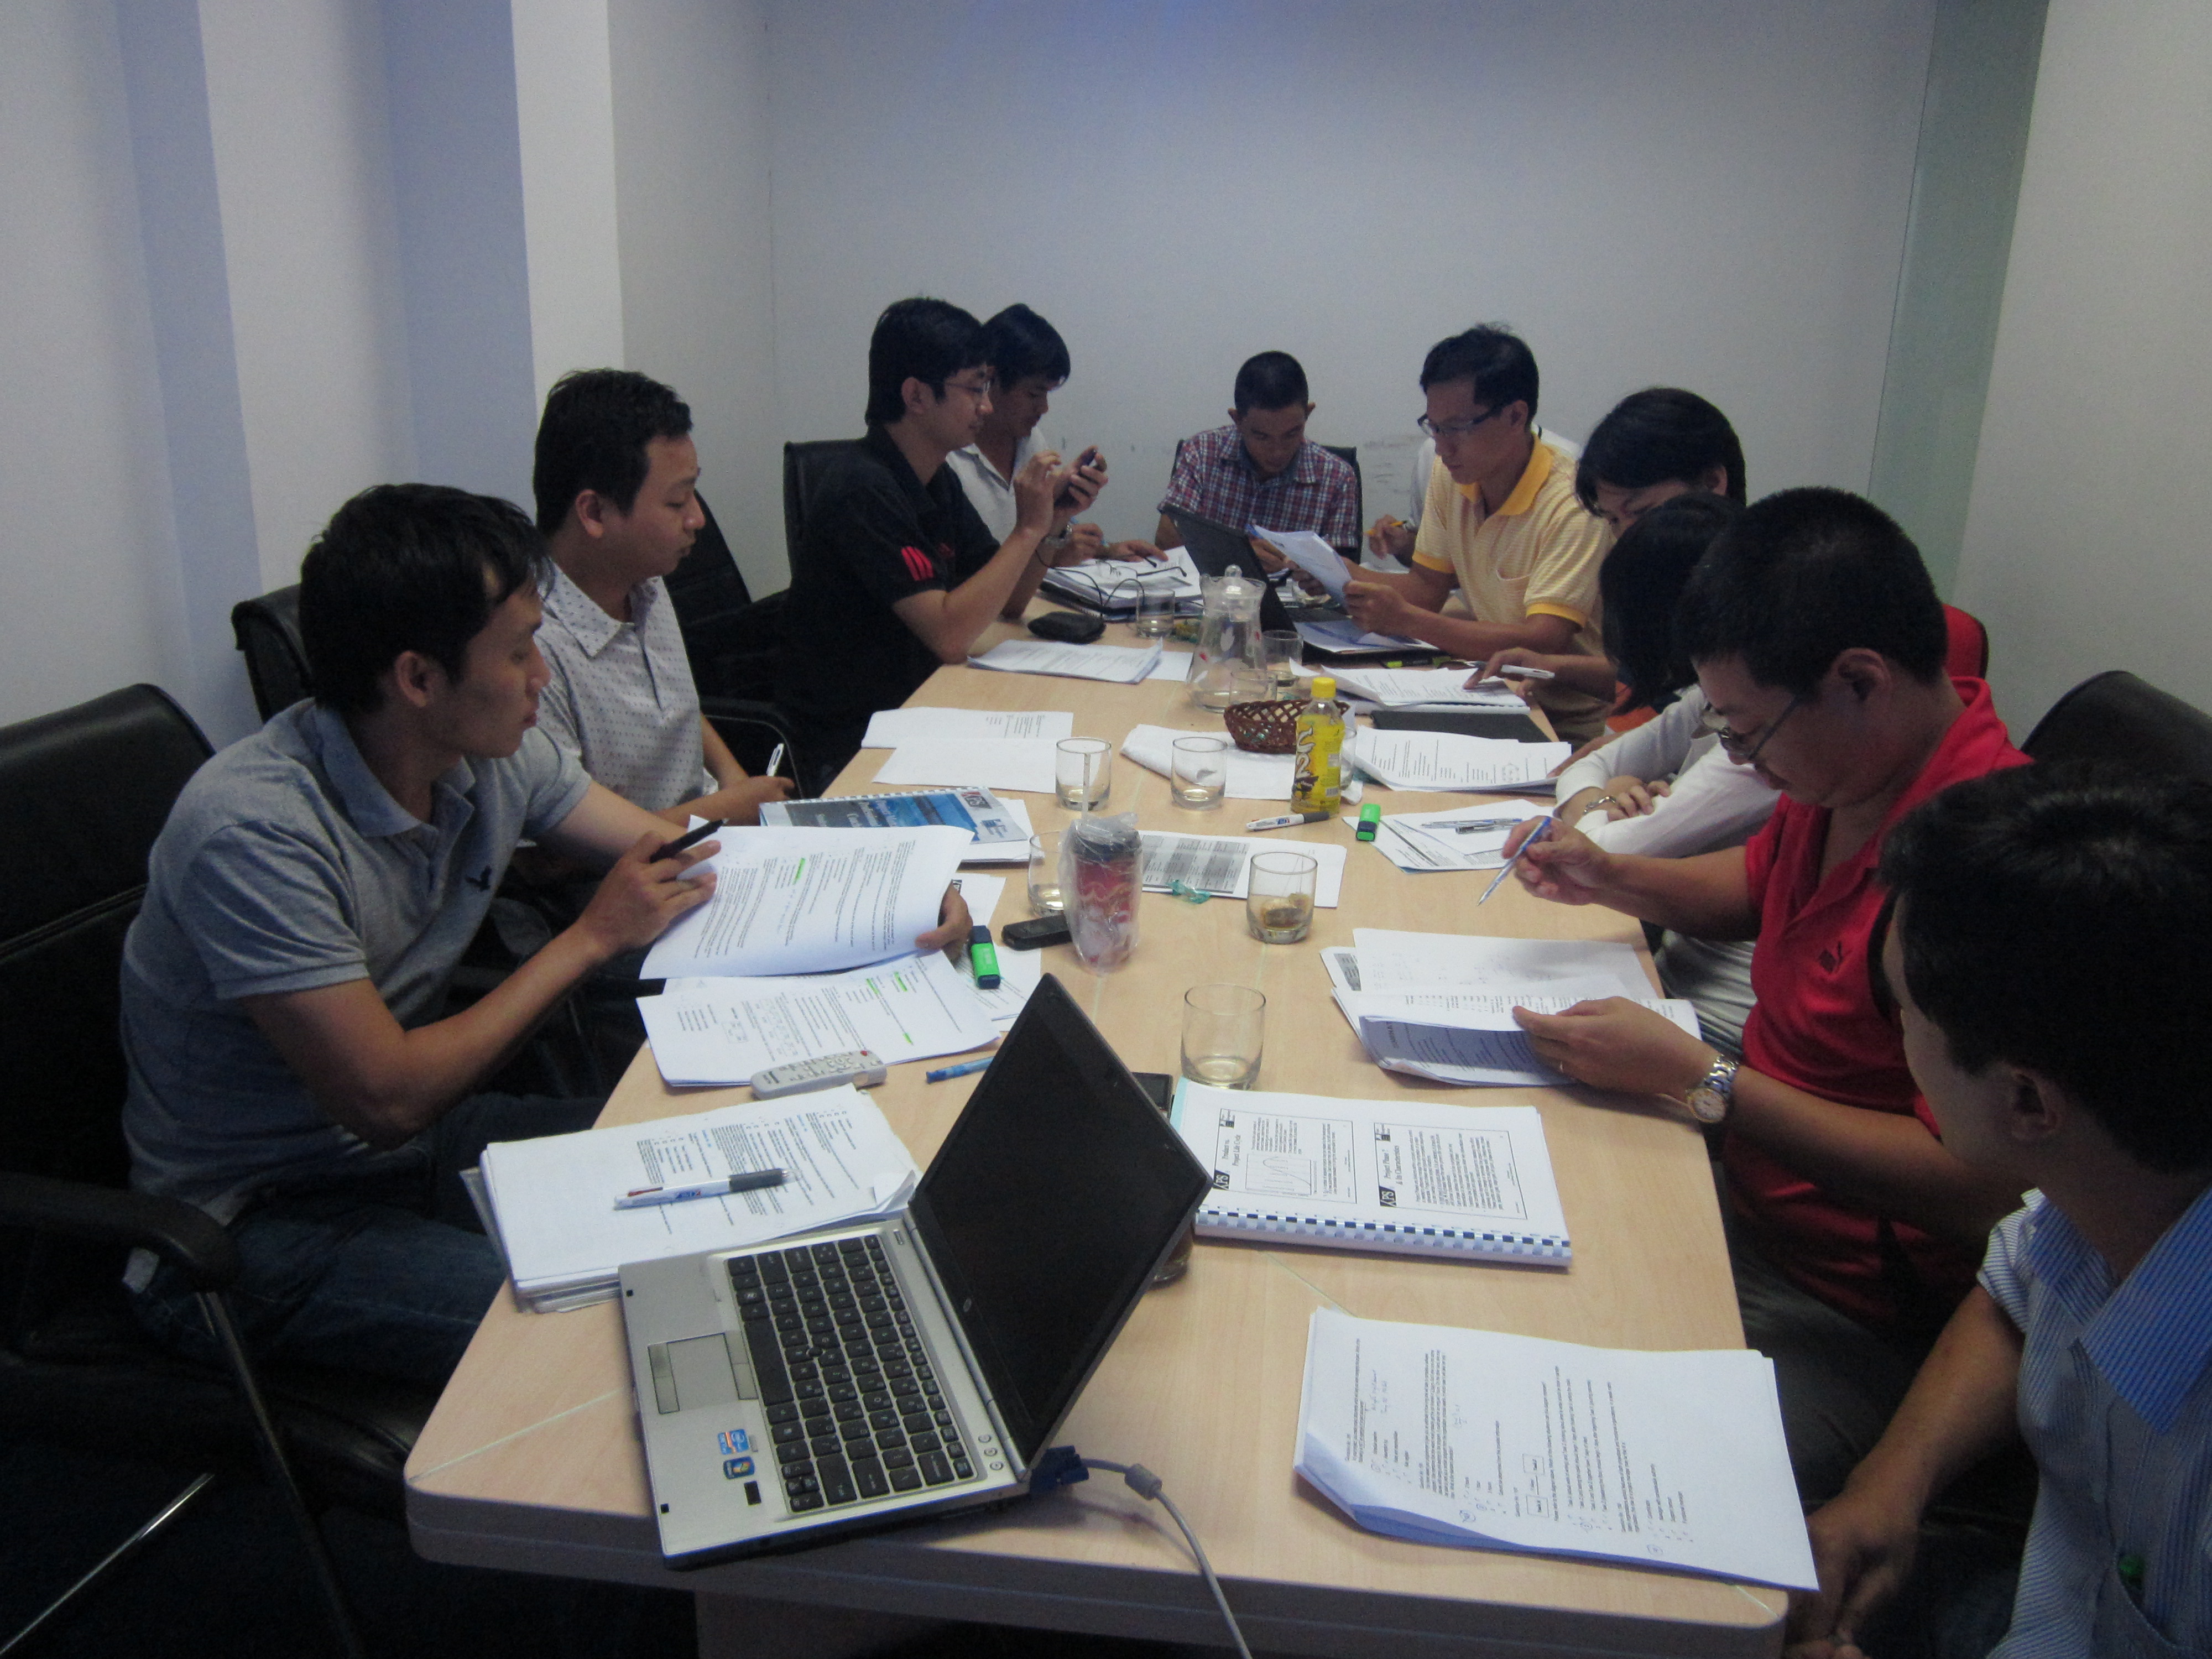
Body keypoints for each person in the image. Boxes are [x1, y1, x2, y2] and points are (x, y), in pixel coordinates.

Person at [119, 483, 967, 1387]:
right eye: (520, 652)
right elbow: (384, 1098)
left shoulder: (484, 751)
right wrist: (588, 941)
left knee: (752, 1169)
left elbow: (675, 850)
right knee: (650, 1328)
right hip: (252, 1223)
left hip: (421, 1150)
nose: (543, 678)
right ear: (419, 679)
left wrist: (903, 891)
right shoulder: (254, 832)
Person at [1502, 487, 2030, 1502]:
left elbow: (1986, 1190)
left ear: (1860, 681)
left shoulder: (1986, 870)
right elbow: (1759, 886)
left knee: (1589, 1468)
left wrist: (1708, 1081)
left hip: (1850, 1308)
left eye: (1747, 734)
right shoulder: (1847, 774)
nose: (1741, 761)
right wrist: (1610, 875)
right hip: (1735, 1199)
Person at [1785, 767, 2212, 1659]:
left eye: (1903, 1014)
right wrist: (1890, 1485)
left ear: (2026, 1100)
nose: (1897, 1039)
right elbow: (2014, 1288)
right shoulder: (2112, 1184)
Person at [776, 297, 1103, 791]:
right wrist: (1026, 531)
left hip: (925, 707)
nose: (986, 406)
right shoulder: (861, 490)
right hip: (854, 744)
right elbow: (949, 636)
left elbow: (1010, 602)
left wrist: (1050, 522)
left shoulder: (935, 479)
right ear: (916, 395)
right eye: (974, 389)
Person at [1546, 494, 1776, 1058]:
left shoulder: (1762, 741)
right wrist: (1601, 796)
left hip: (1709, 1018)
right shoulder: (1713, 698)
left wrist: (1594, 809)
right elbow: (1587, 766)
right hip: (1668, 975)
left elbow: (1604, 851)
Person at [531, 368, 793, 825]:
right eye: (676, 503)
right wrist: (726, 810)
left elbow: (676, 707)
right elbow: (561, 848)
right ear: (594, 512)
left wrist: (733, 778)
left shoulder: (645, 580)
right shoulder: (533, 648)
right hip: (638, 861)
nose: (697, 520)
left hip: (713, 832)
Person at [1337, 326, 1614, 743]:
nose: (1442, 447)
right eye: (1434, 427)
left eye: (1458, 428)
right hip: (1487, 694)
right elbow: (1427, 589)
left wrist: (1406, 619)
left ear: (1516, 416)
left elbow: (1542, 642)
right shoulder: (1453, 474)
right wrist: (1339, 571)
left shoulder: (1573, 503)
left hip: (1563, 724)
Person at [1479, 386, 1748, 703]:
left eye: (1641, 512)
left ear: (1712, 483)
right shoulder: (1652, 581)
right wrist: (1553, 667)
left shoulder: (1752, 599)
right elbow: (1658, 680)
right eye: (1613, 520)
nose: (1625, 538)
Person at [945, 304, 1155, 561]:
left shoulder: (1030, 441)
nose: (1044, 408)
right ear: (990, 379)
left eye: (1047, 394)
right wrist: (1052, 547)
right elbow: (988, 560)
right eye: (1034, 394)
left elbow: (1039, 542)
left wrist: (1104, 550)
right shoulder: (949, 453)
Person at [1154, 351, 1361, 555]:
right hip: (1210, 578)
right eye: (1262, 437)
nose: (1278, 451)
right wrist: (1241, 554)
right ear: (1237, 420)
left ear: (1307, 414)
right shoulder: (1202, 452)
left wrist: (1294, 567)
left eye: (1291, 434)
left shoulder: (1337, 478)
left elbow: (1343, 570)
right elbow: (1167, 541)